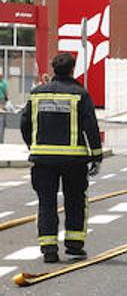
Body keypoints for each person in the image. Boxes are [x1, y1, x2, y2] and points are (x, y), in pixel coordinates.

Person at [19, 53, 102, 263]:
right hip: (74, 160)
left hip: (43, 160)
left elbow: (24, 123)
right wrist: (96, 155)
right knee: (74, 200)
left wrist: (33, 145)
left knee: (46, 202)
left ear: (53, 69)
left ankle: (49, 249)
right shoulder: (79, 94)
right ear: (73, 70)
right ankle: (74, 246)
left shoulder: (37, 94)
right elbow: (91, 125)